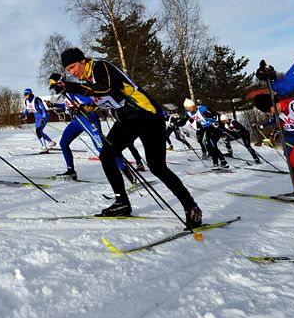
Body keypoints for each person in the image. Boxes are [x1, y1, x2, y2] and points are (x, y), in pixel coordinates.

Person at [59, 47, 201, 226]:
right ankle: (122, 203)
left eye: (73, 67)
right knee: (107, 156)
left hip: (146, 115)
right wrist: (83, 108)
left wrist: (71, 86)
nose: (72, 72)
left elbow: (105, 89)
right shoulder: (89, 79)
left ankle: (191, 208)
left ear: (83, 61)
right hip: (126, 120)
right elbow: (103, 100)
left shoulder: (100, 67)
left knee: (157, 166)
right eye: (69, 70)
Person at [48, 73, 134, 182]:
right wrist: (54, 105)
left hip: (88, 119)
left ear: (61, 83)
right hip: (77, 121)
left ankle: (126, 172)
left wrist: (81, 107)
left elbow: (90, 101)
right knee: (63, 143)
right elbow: (68, 105)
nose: (55, 89)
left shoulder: (74, 90)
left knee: (102, 148)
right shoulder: (65, 94)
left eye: (55, 86)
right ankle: (71, 171)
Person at [176, 99, 228, 171]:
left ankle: (219, 163)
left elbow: (216, 116)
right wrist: (175, 124)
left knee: (211, 145)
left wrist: (214, 122)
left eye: (189, 108)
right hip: (207, 129)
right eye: (186, 108)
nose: (188, 110)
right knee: (210, 146)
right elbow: (183, 122)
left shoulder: (202, 109)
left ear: (193, 106)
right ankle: (222, 162)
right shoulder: (188, 113)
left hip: (215, 128)